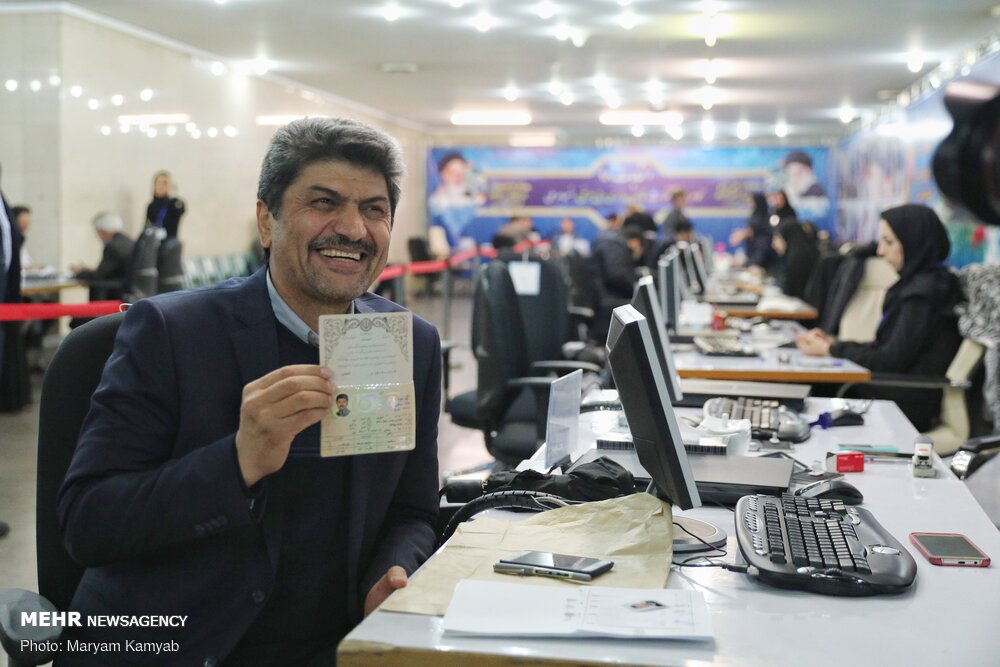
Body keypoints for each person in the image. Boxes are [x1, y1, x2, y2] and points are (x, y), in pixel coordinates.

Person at [57, 117, 442, 665]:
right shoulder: (172, 334)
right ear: (267, 220)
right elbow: (87, 523)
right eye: (324, 202)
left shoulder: (410, 344)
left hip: (335, 645)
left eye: (374, 210)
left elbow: (413, 510)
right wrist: (238, 461)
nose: (353, 229)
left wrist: (393, 570)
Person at [796, 204, 962, 431]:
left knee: (813, 389)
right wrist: (833, 344)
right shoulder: (920, 285)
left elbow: (890, 359)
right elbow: (885, 348)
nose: (881, 251)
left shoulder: (923, 296)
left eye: (889, 242)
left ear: (913, 242)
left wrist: (831, 350)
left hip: (906, 403)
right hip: (895, 390)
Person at [70, 212, 135, 301]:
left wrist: (80, 273)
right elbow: (110, 270)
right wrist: (89, 270)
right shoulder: (128, 241)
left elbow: (99, 276)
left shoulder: (113, 246)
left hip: (115, 295)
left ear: (102, 231)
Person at [770, 193, 819, 300]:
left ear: (787, 238)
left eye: (777, 239)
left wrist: (760, 289)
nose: (774, 245)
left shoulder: (798, 259)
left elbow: (788, 291)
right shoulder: (793, 255)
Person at [729, 192, 777, 272]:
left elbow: (760, 257)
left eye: (752, 201)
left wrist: (745, 263)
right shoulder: (755, 214)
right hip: (754, 257)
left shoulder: (764, 221)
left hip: (764, 263)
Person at [145, 170, 186, 239]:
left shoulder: (175, 203)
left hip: (169, 241)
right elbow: (146, 225)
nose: (161, 186)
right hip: (153, 240)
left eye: (165, 183)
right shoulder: (151, 206)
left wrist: (172, 195)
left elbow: (180, 210)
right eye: (159, 183)